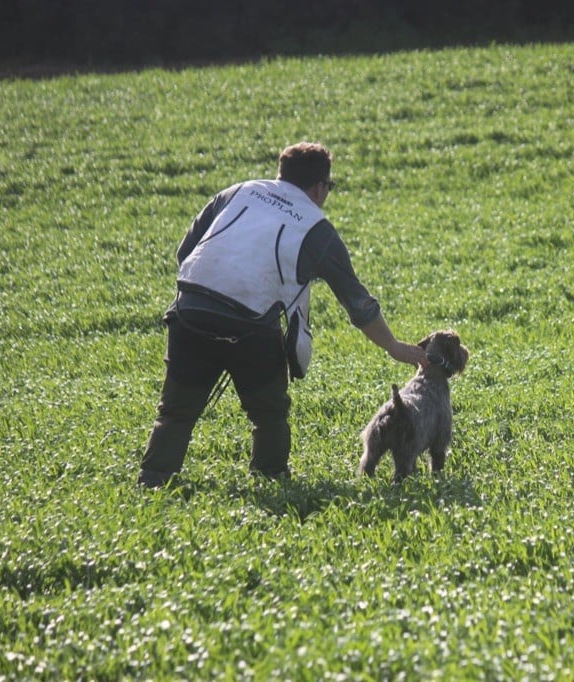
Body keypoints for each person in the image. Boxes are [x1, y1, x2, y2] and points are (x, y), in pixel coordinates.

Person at [138, 142, 427, 488]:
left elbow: (186, 250)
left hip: (190, 312)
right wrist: (393, 346)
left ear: (281, 173)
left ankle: (153, 482)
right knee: (269, 412)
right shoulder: (317, 229)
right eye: (329, 187)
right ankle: (271, 478)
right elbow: (358, 303)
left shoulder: (238, 192)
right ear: (320, 187)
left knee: (176, 410)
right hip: (251, 327)